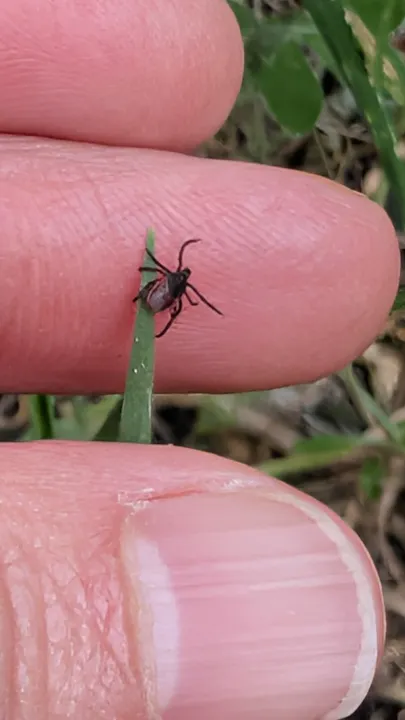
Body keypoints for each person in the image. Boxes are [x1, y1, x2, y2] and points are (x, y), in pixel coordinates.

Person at [0, 0, 396, 717]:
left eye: (173, 283)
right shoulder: (171, 285)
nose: (173, 284)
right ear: (173, 281)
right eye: (174, 280)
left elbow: (155, 285)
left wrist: (158, 287)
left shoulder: (162, 283)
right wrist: (167, 291)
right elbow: (165, 286)